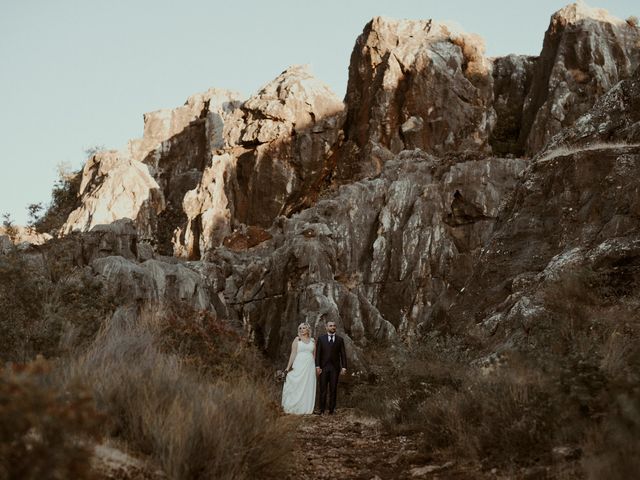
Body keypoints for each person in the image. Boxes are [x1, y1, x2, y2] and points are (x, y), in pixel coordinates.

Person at [281, 322, 317, 414]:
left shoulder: (312, 340)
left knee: (308, 386)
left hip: (309, 366)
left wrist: (316, 367)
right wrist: (287, 368)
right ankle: (293, 406)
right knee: (296, 383)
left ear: (308, 329)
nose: (301, 330)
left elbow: (314, 355)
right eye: (300, 328)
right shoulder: (297, 340)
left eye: (304, 328)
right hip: (299, 364)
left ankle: (305, 408)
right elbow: (293, 354)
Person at [315, 320, 347, 414]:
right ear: (326, 327)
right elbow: (318, 354)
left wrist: (344, 367)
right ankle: (321, 409)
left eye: (334, 326)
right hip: (323, 368)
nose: (332, 327)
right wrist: (317, 366)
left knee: (333, 389)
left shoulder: (340, 340)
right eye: (330, 326)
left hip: (334, 368)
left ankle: (331, 410)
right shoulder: (321, 339)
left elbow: (343, 354)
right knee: (323, 389)